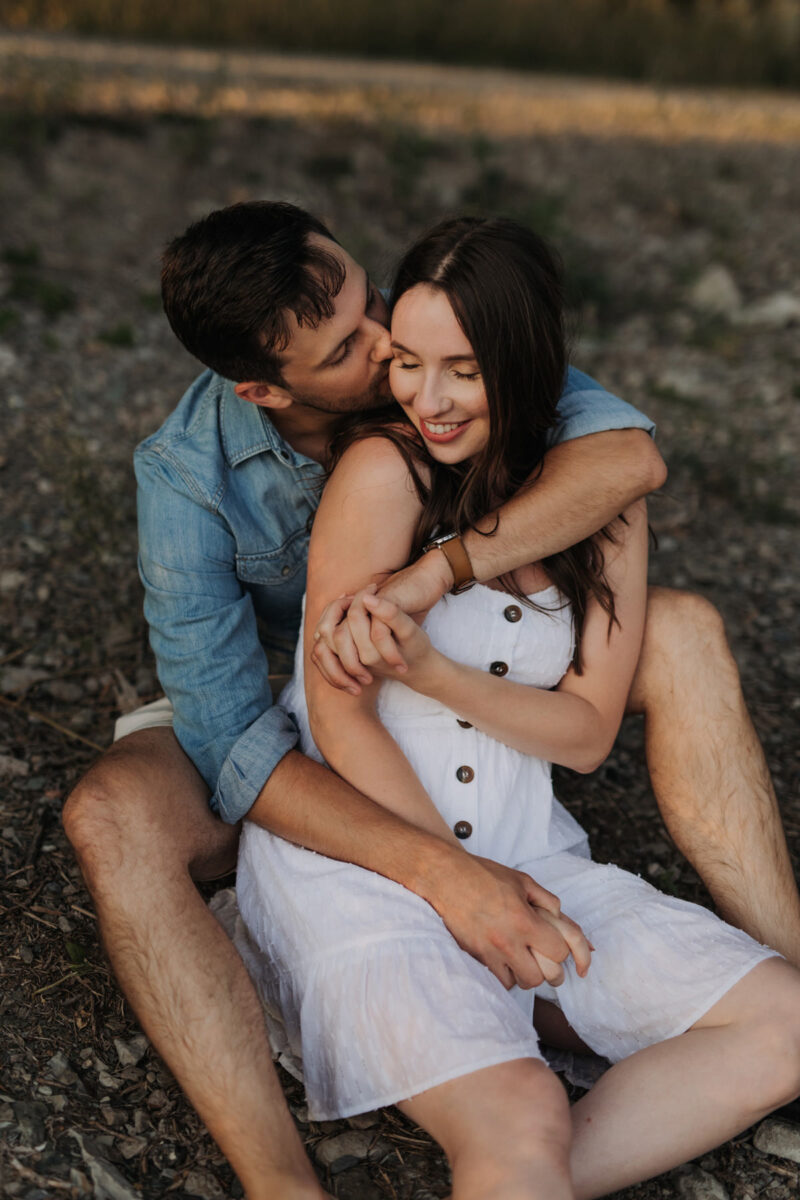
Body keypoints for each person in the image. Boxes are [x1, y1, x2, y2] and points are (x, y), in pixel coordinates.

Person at [60, 201, 800, 1200]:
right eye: (351, 349)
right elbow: (236, 737)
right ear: (266, 389)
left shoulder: (440, 341)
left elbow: (626, 459)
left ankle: (777, 958)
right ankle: (279, 1180)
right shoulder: (191, 474)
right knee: (113, 814)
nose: (386, 349)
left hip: (456, 667)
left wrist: (432, 580)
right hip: (272, 702)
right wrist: (447, 875)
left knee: (685, 630)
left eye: (373, 304)